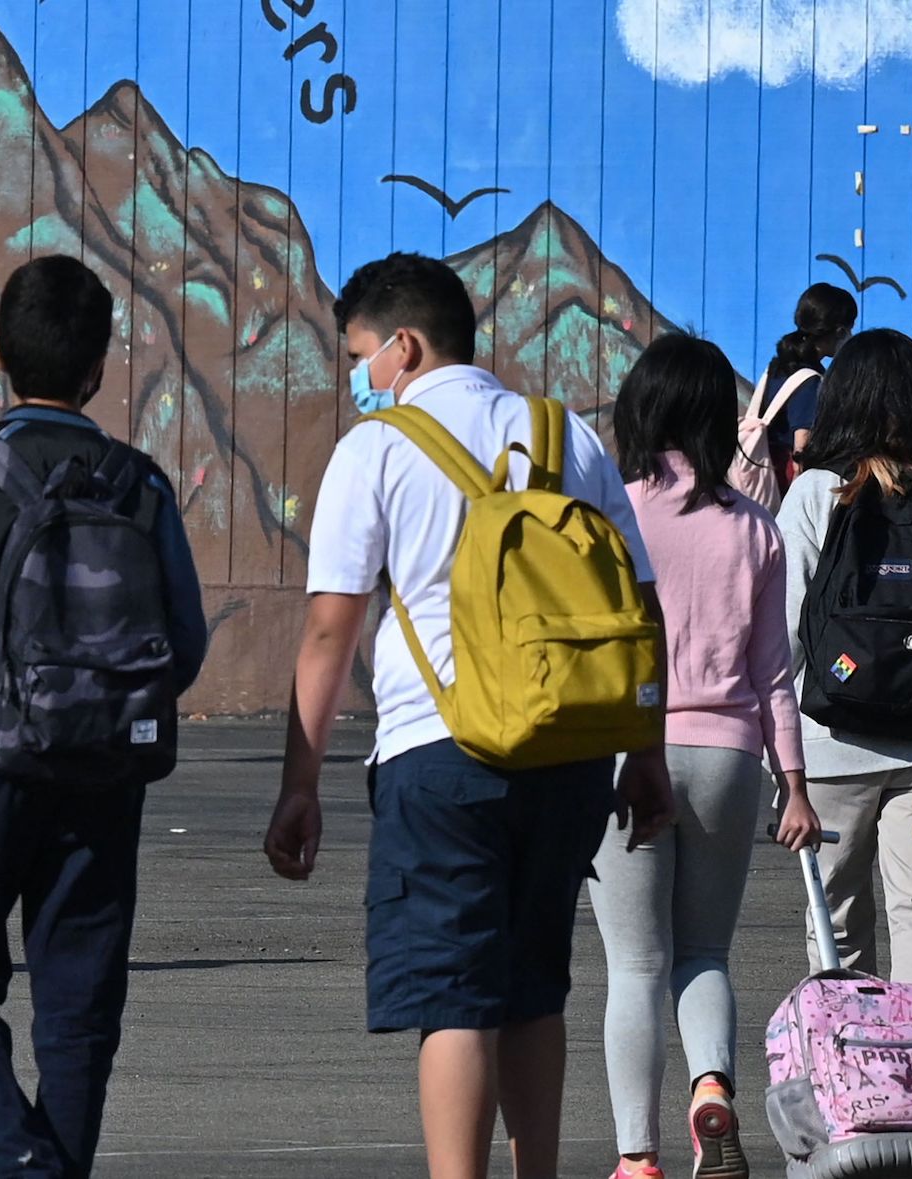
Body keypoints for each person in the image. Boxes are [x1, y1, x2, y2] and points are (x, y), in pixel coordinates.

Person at [265, 252, 673, 1179]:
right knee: (534, 991)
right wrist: (642, 754)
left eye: (362, 355)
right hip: (571, 750)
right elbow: (640, 609)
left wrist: (300, 783)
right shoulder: (566, 435)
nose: (360, 376)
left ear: (403, 346)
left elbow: (331, 631)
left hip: (436, 756)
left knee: (455, 998)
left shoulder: (375, 448)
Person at [0, 255, 208, 1177]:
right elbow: (180, 639)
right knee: (81, 1002)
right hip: (107, 767)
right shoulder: (139, 484)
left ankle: (13, 1156)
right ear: (99, 367)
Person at [592, 333, 823, 1179]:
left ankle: (636, 1157)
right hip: (730, 756)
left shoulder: (612, 515)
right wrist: (793, 784)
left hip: (628, 755)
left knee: (634, 964)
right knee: (702, 953)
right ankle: (711, 1083)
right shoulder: (755, 529)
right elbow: (775, 672)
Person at [776, 329, 912, 999]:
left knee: (835, 916)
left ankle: (855, 1077)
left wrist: (777, 752)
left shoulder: (817, 492)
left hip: (831, 742)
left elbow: (787, 627)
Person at [758, 283, 857, 484]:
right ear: (839, 331)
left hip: (761, 467)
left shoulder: (777, 366)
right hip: (784, 480)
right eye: (849, 329)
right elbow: (802, 444)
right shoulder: (809, 379)